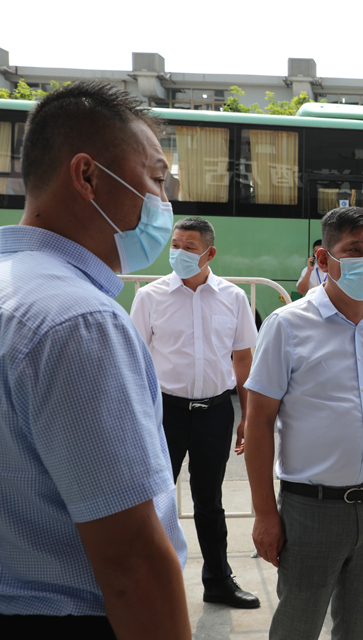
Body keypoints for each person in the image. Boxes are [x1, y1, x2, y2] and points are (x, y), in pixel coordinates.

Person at [0, 81, 190, 638]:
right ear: (87, 176)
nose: (164, 203)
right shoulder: (78, 322)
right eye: (157, 179)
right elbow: (131, 563)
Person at [244, 206, 363, 640]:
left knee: (359, 626)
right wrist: (265, 514)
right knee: (298, 625)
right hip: (311, 510)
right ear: (324, 260)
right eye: (355, 250)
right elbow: (258, 421)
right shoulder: (287, 326)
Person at [130, 216, 261, 609]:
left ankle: (218, 581)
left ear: (209, 253)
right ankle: (148, 584)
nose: (179, 253)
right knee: (155, 501)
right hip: (164, 414)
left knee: (209, 500)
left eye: (189, 247)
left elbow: (242, 359)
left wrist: (248, 415)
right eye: (176, 245)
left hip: (215, 413)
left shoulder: (233, 298)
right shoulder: (150, 297)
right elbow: (135, 361)